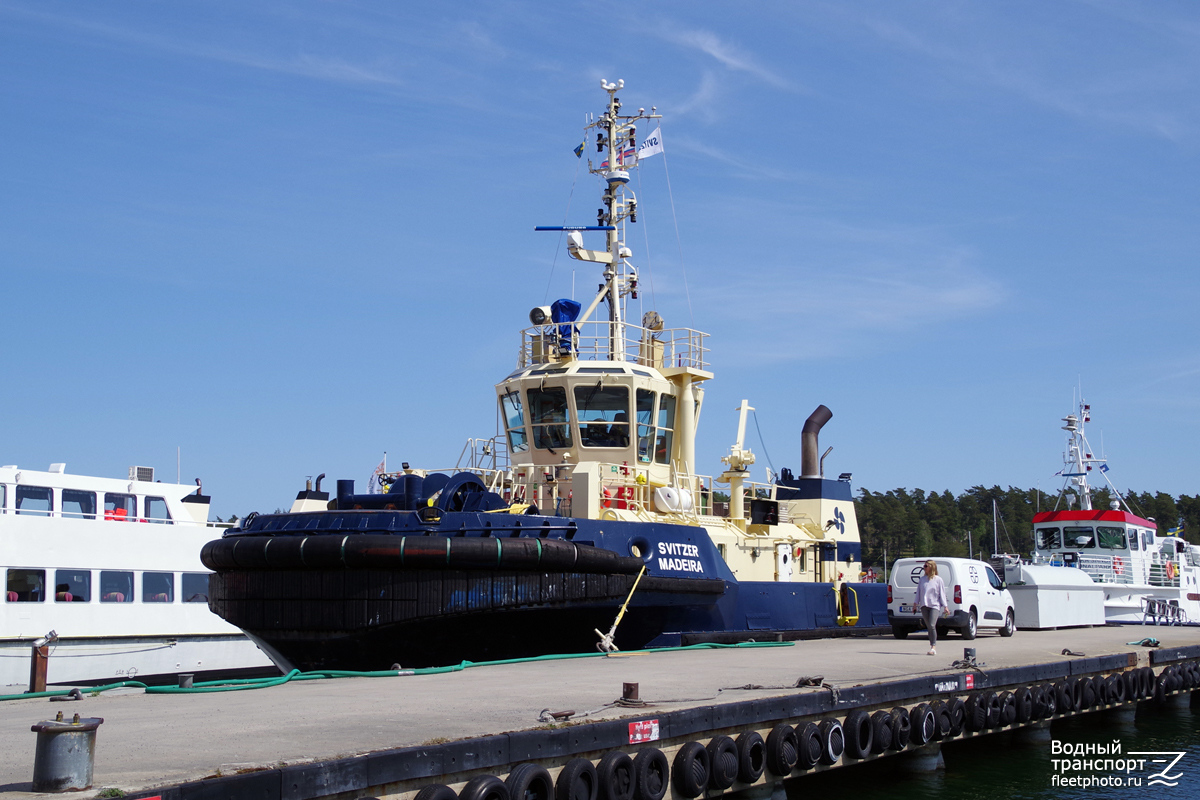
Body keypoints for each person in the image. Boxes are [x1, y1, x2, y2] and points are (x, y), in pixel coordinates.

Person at [916, 560, 950, 656]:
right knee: (929, 627)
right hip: (924, 605)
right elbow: (918, 592)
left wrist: (945, 606)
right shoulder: (922, 579)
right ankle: (931, 644)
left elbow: (942, 594)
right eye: (924, 566)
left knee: (931, 625)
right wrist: (915, 604)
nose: (924, 567)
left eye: (926, 566)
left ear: (931, 567)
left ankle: (933, 646)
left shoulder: (938, 580)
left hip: (935, 605)